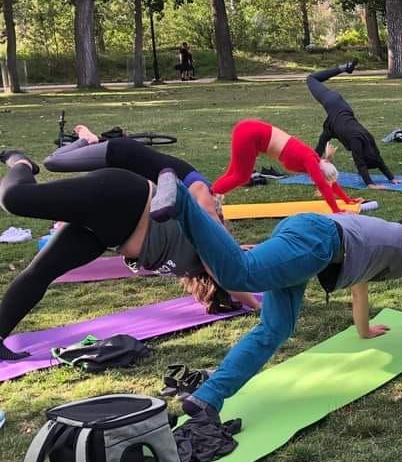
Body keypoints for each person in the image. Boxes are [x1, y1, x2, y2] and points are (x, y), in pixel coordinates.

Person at [148, 169, 402, 420]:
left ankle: (207, 397)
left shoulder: (376, 239)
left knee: (275, 329)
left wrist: (365, 330)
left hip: (311, 235)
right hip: (316, 241)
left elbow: (359, 290)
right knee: (239, 273)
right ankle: (184, 198)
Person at [0, 151, 253, 360]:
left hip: (107, 235)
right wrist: (258, 305)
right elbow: (232, 275)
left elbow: (226, 277)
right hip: (122, 199)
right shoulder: (214, 232)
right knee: (15, 199)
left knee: (42, 272)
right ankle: (20, 162)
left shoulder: (205, 269)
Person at [43, 126, 222, 220]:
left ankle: (94, 140)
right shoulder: (201, 190)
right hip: (122, 153)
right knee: (52, 162)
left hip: (125, 165)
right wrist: (233, 250)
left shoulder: (190, 195)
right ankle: (86, 139)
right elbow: (212, 220)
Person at [212, 119, 357, 213]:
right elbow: (324, 185)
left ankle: (211, 194)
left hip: (248, 130)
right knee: (241, 176)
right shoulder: (310, 160)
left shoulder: (315, 161)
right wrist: (336, 210)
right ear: (324, 166)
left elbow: (329, 183)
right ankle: (211, 196)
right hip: (251, 134)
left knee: (234, 174)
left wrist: (347, 200)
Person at [306, 61, 402, 189]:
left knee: (323, 140)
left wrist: (392, 179)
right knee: (311, 78)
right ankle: (342, 68)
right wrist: (370, 183)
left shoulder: (368, 140)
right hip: (334, 107)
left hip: (341, 111)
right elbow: (363, 163)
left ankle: (343, 68)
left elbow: (377, 161)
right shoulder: (357, 142)